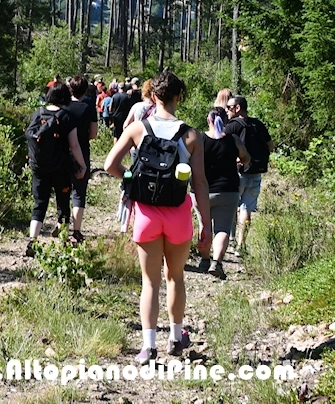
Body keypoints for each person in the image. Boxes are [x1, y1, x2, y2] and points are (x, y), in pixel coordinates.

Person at [104, 70, 212, 364]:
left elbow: (110, 164)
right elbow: (200, 183)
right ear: (179, 97)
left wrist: (131, 178)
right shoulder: (192, 136)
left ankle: (148, 346)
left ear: (153, 96)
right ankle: (176, 339)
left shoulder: (138, 128)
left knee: (149, 282)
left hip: (146, 216)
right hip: (178, 215)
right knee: (175, 277)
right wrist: (206, 224)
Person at [26, 82, 88, 257]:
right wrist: (82, 165)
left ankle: (32, 240)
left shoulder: (38, 113)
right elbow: (74, 145)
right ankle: (63, 242)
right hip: (61, 167)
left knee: (39, 204)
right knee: (63, 203)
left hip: (39, 167)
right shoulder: (67, 117)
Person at [197, 107, 250, 279]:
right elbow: (246, 158)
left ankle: (204, 260)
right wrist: (239, 159)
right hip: (228, 190)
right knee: (222, 228)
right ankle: (217, 262)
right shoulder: (233, 139)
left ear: (208, 120)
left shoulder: (200, 139)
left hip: (202, 191)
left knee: (204, 225)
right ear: (226, 121)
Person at [224, 95, 275, 254]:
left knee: (232, 206)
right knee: (246, 209)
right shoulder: (258, 124)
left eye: (229, 107)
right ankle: (241, 245)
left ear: (238, 108)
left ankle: (231, 240)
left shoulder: (232, 126)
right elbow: (271, 146)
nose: (226, 110)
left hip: (237, 173)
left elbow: (221, 146)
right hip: (256, 173)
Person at [64, 76, 99, 242]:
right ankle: (76, 231)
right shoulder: (89, 108)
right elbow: (93, 133)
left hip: (63, 152)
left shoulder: (64, 107)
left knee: (63, 191)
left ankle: (62, 228)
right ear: (86, 90)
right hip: (82, 152)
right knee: (79, 192)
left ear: (70, 89)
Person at [122, 79, 155, 163]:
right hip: (153, 147)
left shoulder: (136, 106)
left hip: (136, 145)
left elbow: (126, 125)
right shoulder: (159, 108)